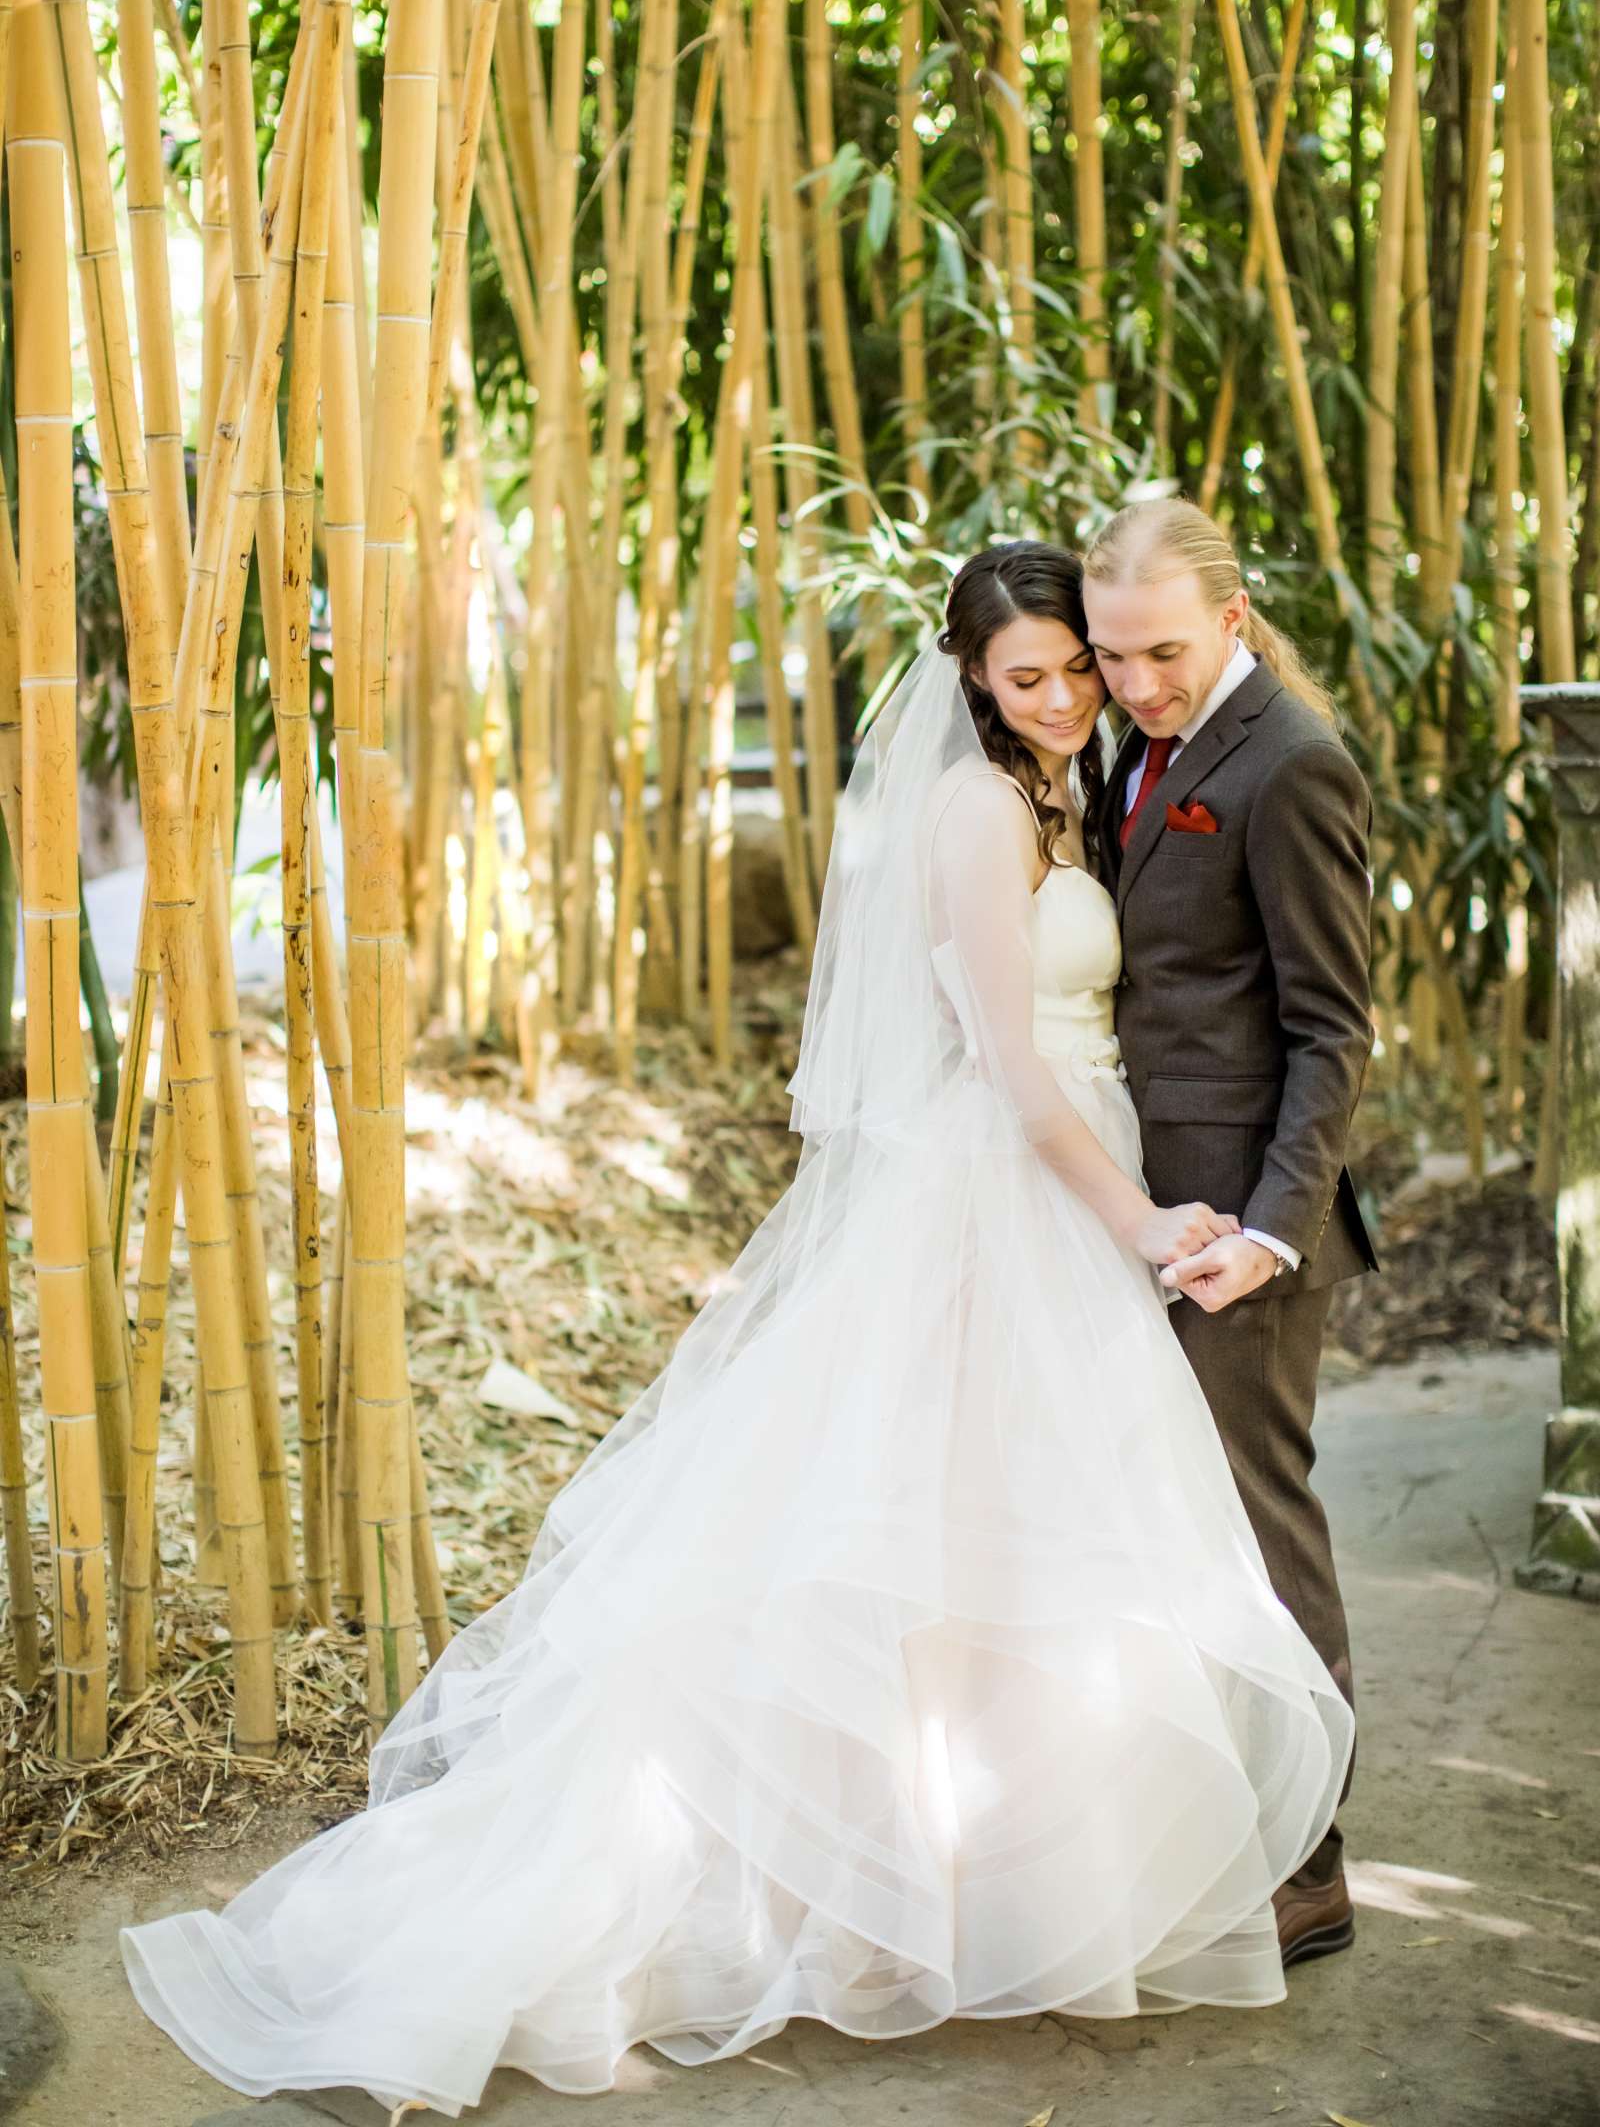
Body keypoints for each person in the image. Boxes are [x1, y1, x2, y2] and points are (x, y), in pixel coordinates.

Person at [120, 542, 1353, 2114]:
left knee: (1014, 1539)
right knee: (916, 1538)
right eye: (1027, 676)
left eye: (1078, 668)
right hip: (1019, 1192)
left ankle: (981, 1868)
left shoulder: (1083, 781)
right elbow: (1010, 1066)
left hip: (1080, 1192)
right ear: (970, 684)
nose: (1066, 697)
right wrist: (1135, 1222)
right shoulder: (979, 808)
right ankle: (863, 1879)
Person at [1081, 497, 1378, 1969]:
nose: (1136, 685)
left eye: (1164, 653)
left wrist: (1268, 1234)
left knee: (1261, 1536)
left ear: (1235, 620)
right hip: (1135, 1207)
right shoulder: (1135, 752)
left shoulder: (1294, 767)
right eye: (1112, 654)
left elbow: (1332, 1032)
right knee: (1155, 1533)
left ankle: (1309, 1862)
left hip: (1241, 1235)